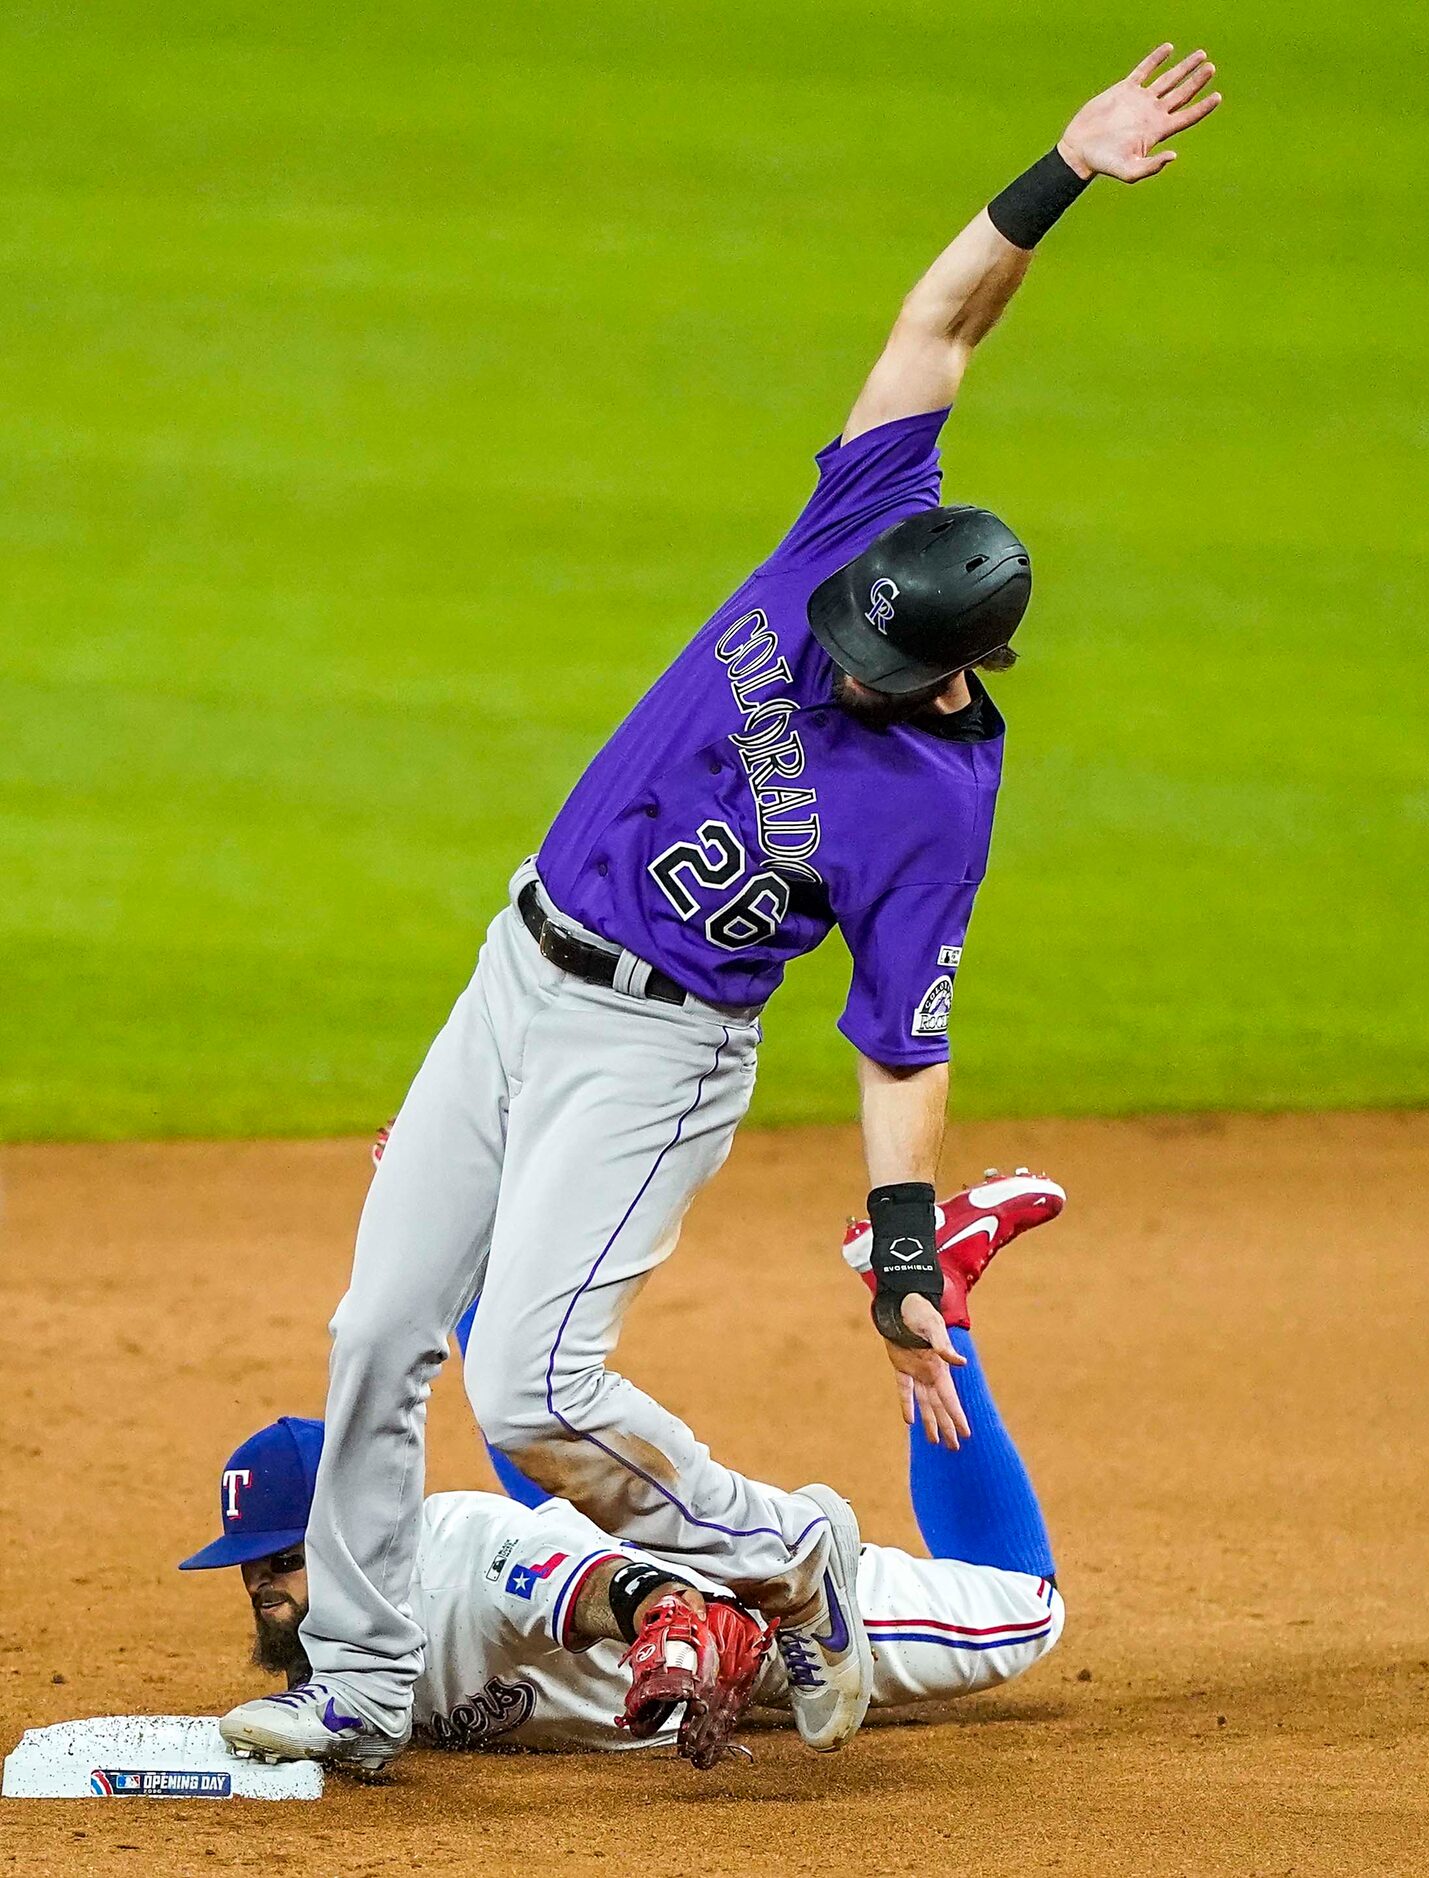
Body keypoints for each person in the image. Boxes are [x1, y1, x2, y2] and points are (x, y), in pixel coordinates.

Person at [220, 46, 1219, 1772]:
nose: (844, 658)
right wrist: (1060, 168)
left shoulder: (935, 808)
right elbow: (941, 327)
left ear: (964, 669)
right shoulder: (865, 512)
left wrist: (902, 1248)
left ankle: (792, 1555)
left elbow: (903, 1039)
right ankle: (362, 1685)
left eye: (882, 665)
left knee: (530, 1384)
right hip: (513, 963)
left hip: (653, 1045)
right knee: (377, 1332)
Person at [204, 1178, 1066, 1771]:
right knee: (547, 1463)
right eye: (251, 1563)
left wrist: (671, 1621)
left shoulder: (466, 1559)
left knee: (1027, 1612)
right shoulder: (332, 1659)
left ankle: (937, 1283)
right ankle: (487, 1259)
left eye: (282, 1557)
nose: (258, 1583)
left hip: (742, 1602)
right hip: (557, 1569)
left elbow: (611, 1587)